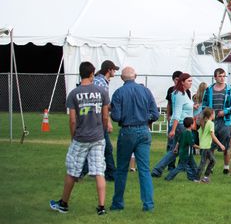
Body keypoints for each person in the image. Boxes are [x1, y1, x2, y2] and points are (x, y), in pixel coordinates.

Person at [50, 61, 111, 215]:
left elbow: (72, 120)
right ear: (92, 74)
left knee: (72, 171)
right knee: (99, 171)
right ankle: (101, 207)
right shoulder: (101, 92)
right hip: (98, 137)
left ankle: (63, 203)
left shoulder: (74, 93)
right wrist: (102, 131)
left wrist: (73, 137)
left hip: (81, 137)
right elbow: (105, 116)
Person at [109, 66, 159, 212]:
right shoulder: (145, 91)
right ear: (135, 76)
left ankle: (118, 203)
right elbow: (155, 114)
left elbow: (116, 116)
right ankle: (148, 204)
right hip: (143, 130)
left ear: (122, 78)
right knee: (144, 169)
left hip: (127, 131)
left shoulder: (118, 93)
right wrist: (145, 118)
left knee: (122, 169)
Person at [152, 73, 192, 177]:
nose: (191, 83)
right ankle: (192, 172)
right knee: (184, 149)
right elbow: (177, 113)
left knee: (175, 150)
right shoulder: (179, 94)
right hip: (181, 125)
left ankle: (157, 170)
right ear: (182, 82)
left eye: (191, 81)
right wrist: (173, 129)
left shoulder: (181, 93)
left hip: (181, 124)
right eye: (189, 81)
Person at [202, 68, 231, 174]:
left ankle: (226, 167)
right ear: (215, 77)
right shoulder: (209, 89)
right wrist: (208, 114)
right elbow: (204, 104)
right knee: (210, 145)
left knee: (226, 145)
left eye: (224, 76)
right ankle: (210, 167)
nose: (222, 78)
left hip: (225, 121)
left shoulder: (229, 90)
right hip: (211, 121)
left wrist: (225, 112)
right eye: (220, 76)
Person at [89, 60, 118, 181]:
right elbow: (101, 104)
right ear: (109, 70)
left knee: (94, 146)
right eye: (114, 69)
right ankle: (111, 174)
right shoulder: (101, 83)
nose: (115, 72)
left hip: (93, 119)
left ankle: (81, 171)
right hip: (99, 120)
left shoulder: (100, 81)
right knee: (106, 148)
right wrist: (108, 122)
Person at [195, 108, 227, 183]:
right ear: (211, 114)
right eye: (214, 113)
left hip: (204, 146)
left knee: (212, 161)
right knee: (204, 162)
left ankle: (205, 177)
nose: (215, 115)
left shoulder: (203, 123)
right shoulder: (210, 123)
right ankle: (197, 178)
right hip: (206, 146)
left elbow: (199, 134)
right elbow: (213, 136)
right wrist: (221, 145)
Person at [164, 117, 199, 182]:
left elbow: (178, 141)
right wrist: (201, 147)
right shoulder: (189, 133)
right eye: (193, 123)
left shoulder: (183, 132)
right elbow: (192, 144)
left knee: (193, 165)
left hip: (186, 153)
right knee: (181, 167)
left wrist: (176, 148)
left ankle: (196, 177)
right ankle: (168, 177)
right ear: (191, 125)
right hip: (185, 154)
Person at [161, 70, 183, 171]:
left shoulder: (185, 90)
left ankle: (181, 165)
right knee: (171, 143)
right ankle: (170, 165)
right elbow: (169, 103)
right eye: (176, 80)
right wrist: (168, 115)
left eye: (179, 80)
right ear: (173, 80)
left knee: (182, 143)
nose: (177, 82)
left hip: (181, 120)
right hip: (172, 119)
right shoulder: (171, 90)